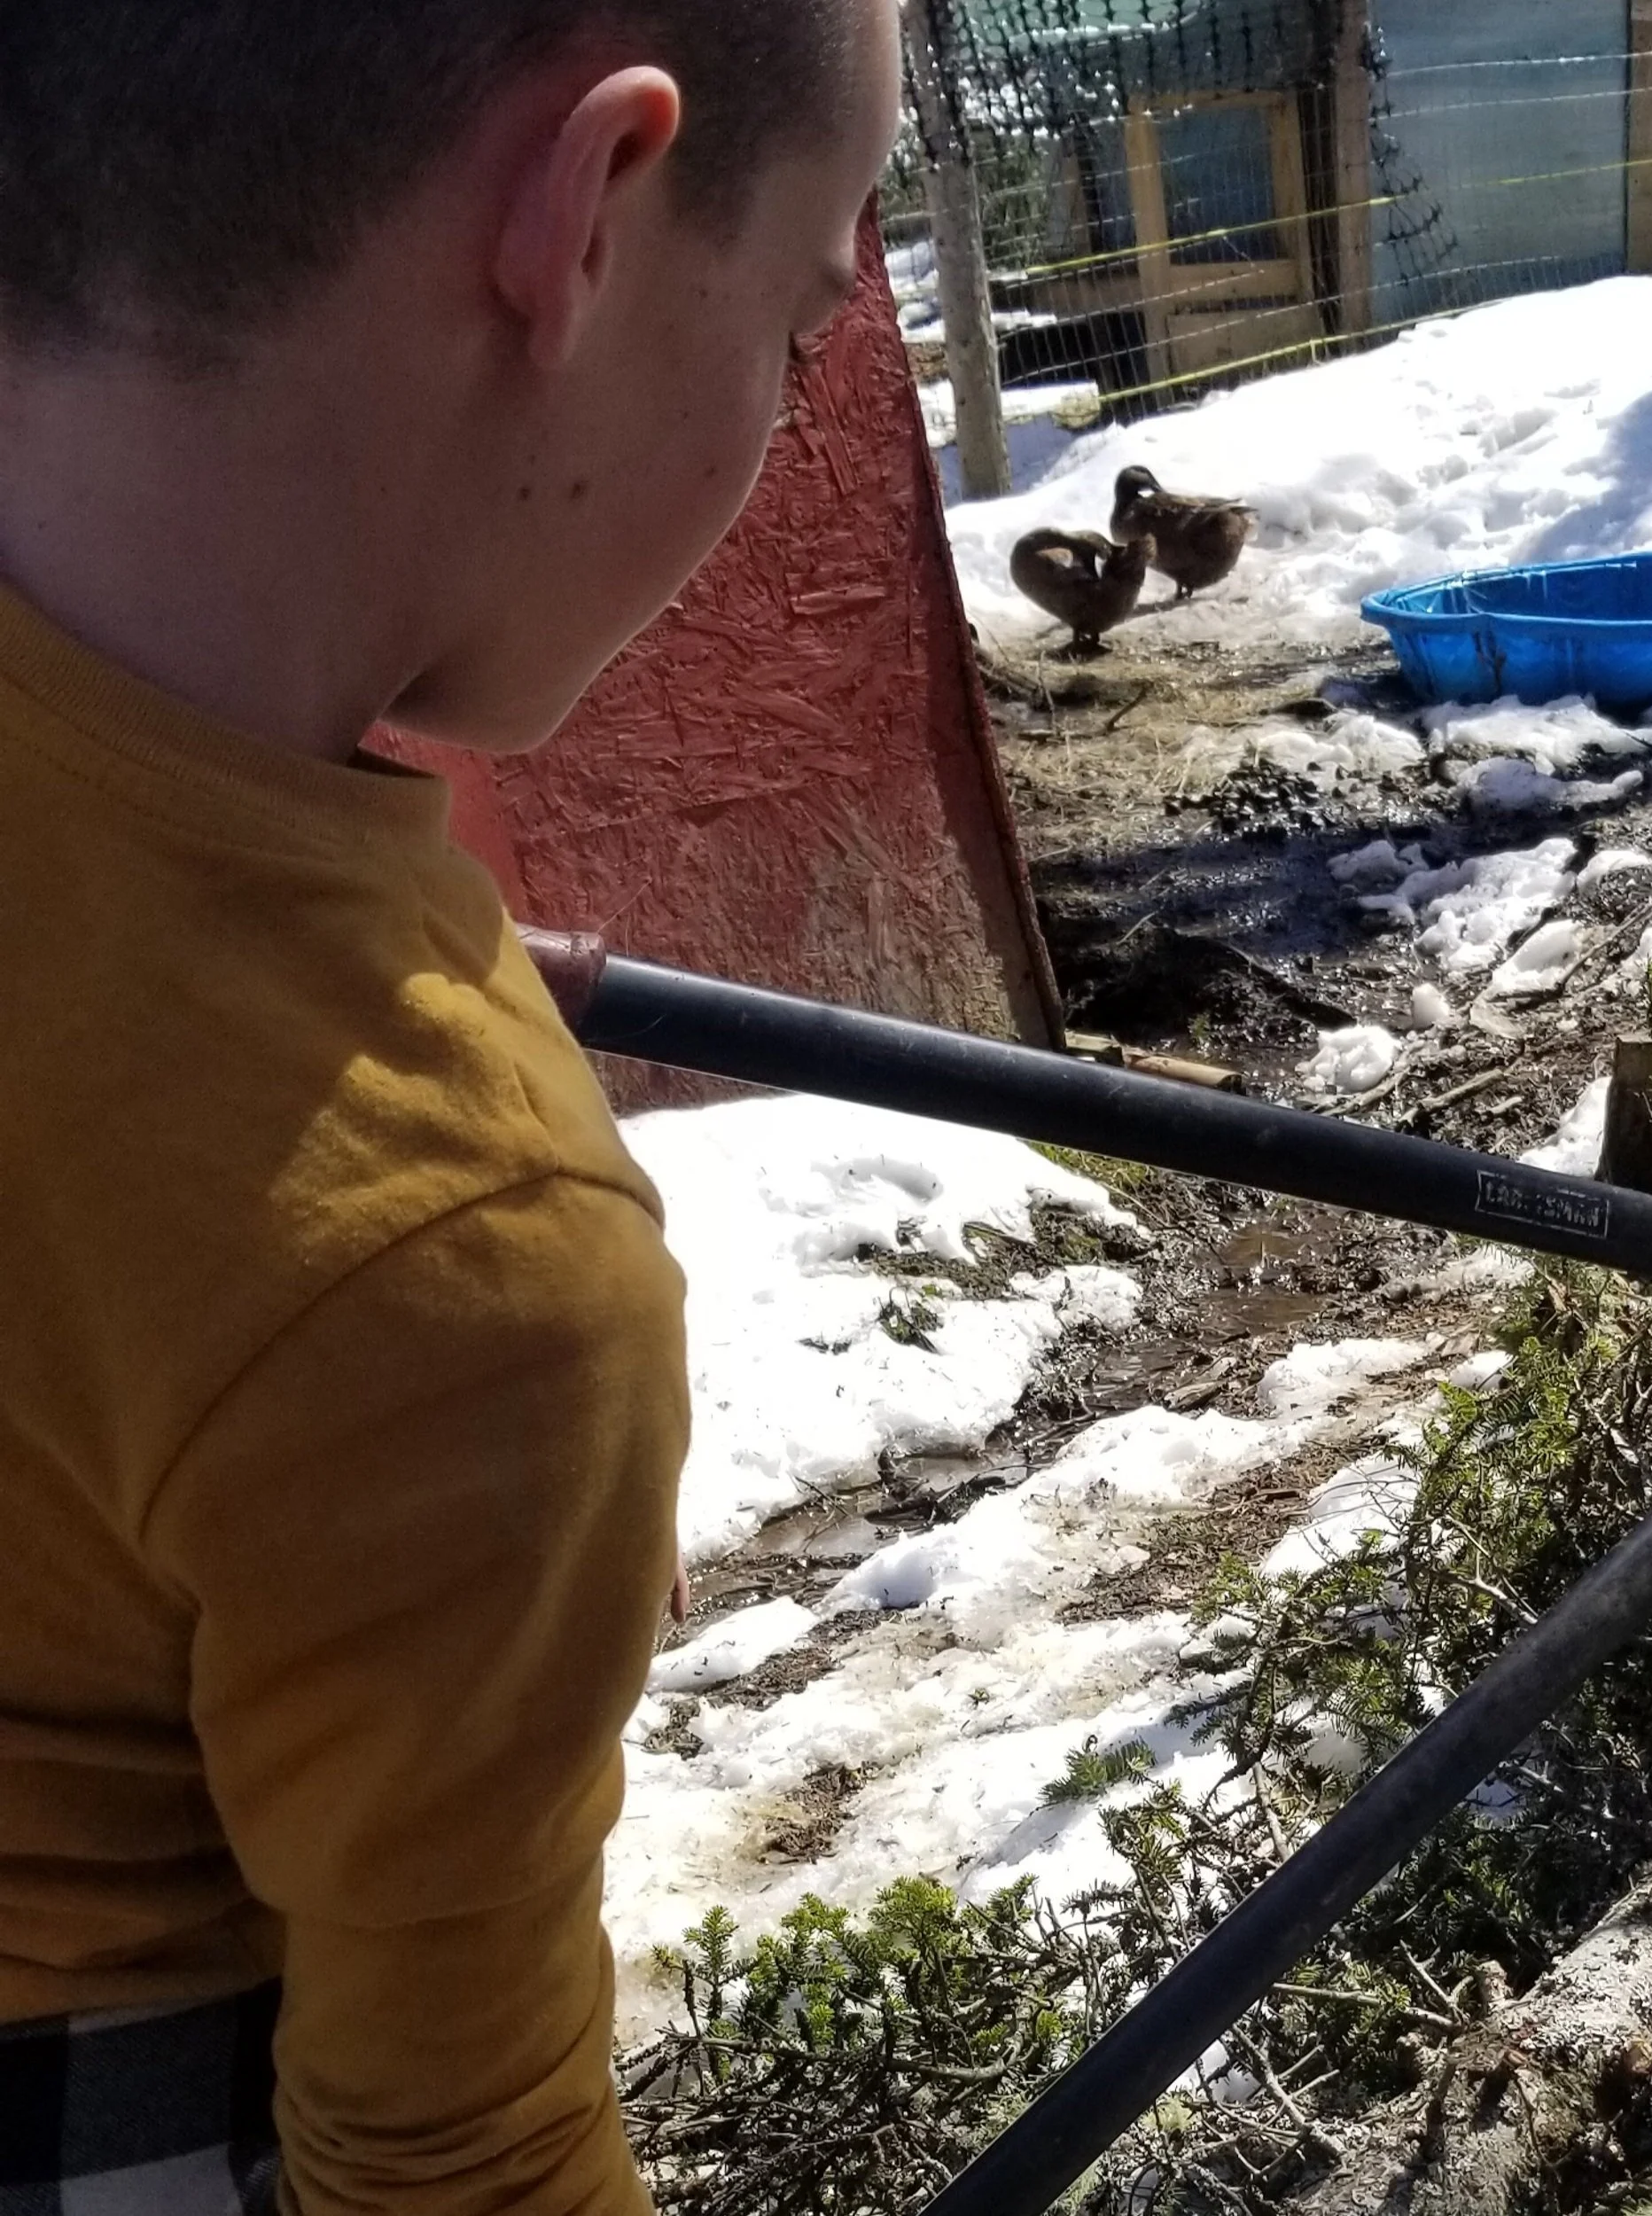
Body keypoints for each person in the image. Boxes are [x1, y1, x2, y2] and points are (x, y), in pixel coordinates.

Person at [0, 4, 901, 2210]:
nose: (783, 406)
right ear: (585, 213)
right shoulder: (439, 1250)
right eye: (798, 332)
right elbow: (456, 2173)